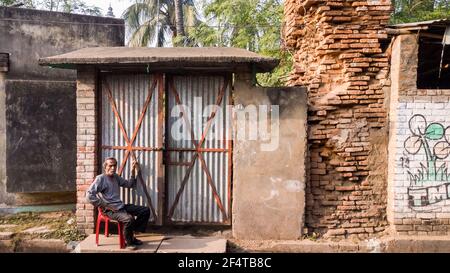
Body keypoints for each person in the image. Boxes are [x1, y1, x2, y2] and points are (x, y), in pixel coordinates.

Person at [86, 157, 150, 250]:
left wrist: (132, 171)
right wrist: (105, 204)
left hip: (120, 206)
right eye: (110, 166)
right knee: (129, 219)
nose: (113, 168)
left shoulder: (115, 177)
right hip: (109, 210)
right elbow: (89, 196)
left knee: (145, 211)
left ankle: (130, 234)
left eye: (114, 165)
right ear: (105, 167)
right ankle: (128, 242)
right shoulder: (100, 179)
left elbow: (129, 184)